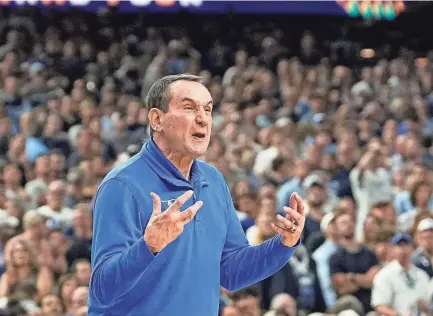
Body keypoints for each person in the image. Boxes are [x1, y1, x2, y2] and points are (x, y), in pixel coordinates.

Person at [88, 74, 306, 316]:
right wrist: (149, 246)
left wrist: (283, 244)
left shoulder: (213, 180)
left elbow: (231, 271)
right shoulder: (122, 185)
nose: (203, 119)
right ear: (157, 119)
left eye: (208, 109)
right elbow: (102, 289)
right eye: (189, 108)